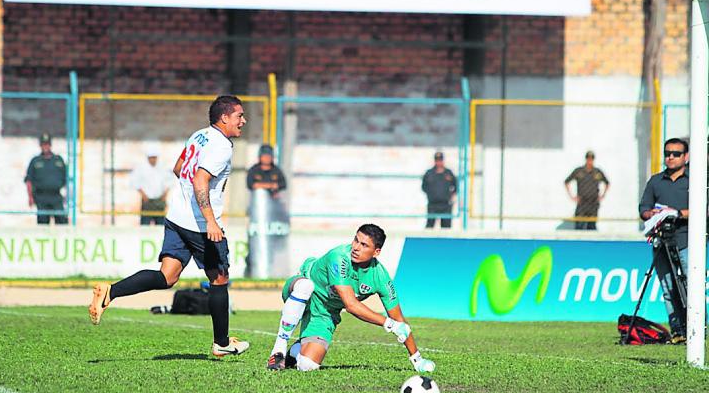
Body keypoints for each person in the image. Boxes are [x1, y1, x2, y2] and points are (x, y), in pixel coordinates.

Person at [89, 95, 250, 357]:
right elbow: (200, 181)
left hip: (176, 217)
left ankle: (111, 291)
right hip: (199, 225)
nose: (243, 121)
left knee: (167, 276)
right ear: (224, 118)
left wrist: (189, 199)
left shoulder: (199, 135)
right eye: (239, 116)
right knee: (219, 278)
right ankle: (222, 342)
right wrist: (210, 220)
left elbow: (178, 169)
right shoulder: (221, 146)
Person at [266, 223, 436, 373]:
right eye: (356, 240)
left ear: (376, 252)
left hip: (325, 312)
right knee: (306, 286)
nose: (356, 247)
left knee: (308, 365)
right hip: (301, 288)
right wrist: (389, 325)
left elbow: (399, 320)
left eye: (364, 245)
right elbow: (350, 305)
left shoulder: (381, 278)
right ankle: (278, 351)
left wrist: (417, 359)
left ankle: (294, 352)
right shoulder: (339, 257)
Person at [639, 137, 690, 344]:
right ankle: (677, 331)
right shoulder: (655, 181)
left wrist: (677, 213)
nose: (670, 157)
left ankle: (695, 328)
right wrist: (651, 214)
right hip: (661, 242)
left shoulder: (694, 181)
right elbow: (643, 209)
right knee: (668, 288)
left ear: (685, 157)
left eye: (676, 154)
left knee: (690, 286)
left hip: (686, 241)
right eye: (667, 153)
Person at [25, 132, 68, 225]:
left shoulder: (58, 160)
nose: (45, 147)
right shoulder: (35, 161)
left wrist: (67, 195)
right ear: (40, 146)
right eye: (43, 144)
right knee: (43, 223)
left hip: (56, 196)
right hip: (41, 197)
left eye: (47, 144)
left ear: (50, 145)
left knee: (62, 222)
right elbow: (29, 180)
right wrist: (30, 197)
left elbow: (66, 179)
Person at [564, 150, 610, 230]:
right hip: (582, 203)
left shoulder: (597, 172)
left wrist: (602, 196)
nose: (590, 161)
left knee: (591, 227)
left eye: (591, 159)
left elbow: (607, 183)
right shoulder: (579, 171)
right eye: (588, 159)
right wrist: (572, 197)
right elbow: (566, 182)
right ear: (586, 159)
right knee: (579, 225)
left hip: (593, 203)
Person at [130, 142, 170, 226]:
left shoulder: (163, 167)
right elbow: (135, 182)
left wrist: (164, 195)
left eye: (154, 157)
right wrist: (143, 195)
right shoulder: (141, 168)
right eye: (151, 157)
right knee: (145, 224)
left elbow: (169, 182)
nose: (153, 159)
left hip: (159, 200)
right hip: (147, 200)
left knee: (161, 225)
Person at [422, 151, 457, 228]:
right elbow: (424, 187)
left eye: (440, 160)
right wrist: (431, 194)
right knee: (429, 227)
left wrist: (451, 195)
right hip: (433, 204)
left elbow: (455, 186)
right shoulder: (429, 173)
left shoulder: (448, 173)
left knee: (446, 228)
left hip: (445, 205)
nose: (439, 162)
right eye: (437, 160)